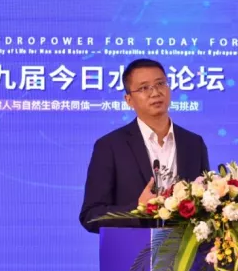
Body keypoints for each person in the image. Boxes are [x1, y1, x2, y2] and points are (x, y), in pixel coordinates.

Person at [79, 58, 210, 233]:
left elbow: (205, 205)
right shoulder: (110, 146)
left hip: (184, 248)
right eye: (144, 88)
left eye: (160, 84)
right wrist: (138, 209)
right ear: (129, 100)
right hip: (133, 248)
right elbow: (91, 216)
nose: (155, 92)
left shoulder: (193, 143)